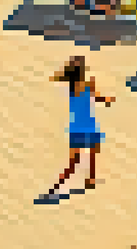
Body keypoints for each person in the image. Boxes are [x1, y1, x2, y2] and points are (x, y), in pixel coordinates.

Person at [46, 55, 114, 196]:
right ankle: (91, 179)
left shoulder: (71, 87)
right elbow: (101, 99)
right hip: (89, 125)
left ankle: (57, 186)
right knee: (93, 153)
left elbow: (55, 77)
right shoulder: (88, 85)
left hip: (76, 127)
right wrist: (108, 100)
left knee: (73, 163)